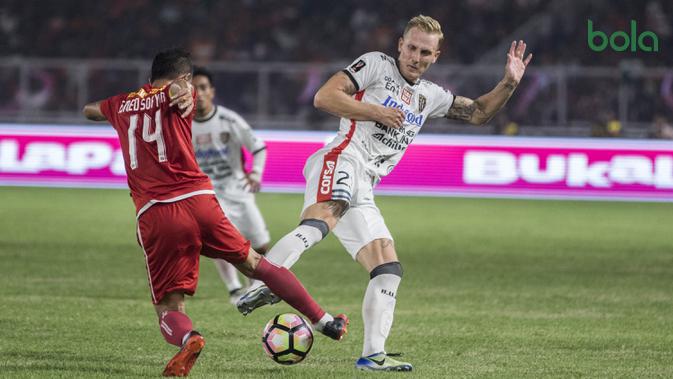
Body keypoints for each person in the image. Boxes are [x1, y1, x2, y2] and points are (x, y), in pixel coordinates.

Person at [237, 15, 532, 372]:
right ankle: (267, 278)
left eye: (425, 51)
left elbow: (479, 113)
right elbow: (324, 97)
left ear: (436, 56)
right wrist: (374, 110)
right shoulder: (376, 65)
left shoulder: (431, 96)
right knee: (326, 216)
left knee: (387, 267)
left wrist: (509, 83)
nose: (416, 56)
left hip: (366, 187)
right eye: (411, 47)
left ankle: (372, 355)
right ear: (400, 45)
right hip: (342, 158)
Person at [82, 48, 348, 377]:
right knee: (256, 263)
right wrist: (180, 92)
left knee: (169, 306)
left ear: (151, 79)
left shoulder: (121, 104)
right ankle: (325, 321)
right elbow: (181, 92)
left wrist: (122, 104)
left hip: (157, 212)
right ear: (184, 76)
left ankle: (189, 338)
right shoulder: (181, 90)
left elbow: (89, 109)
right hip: (201, 201)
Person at [191, 67, 271, 304]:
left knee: (261, 244)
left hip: (238, 190)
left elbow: (258, 147)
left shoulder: (229, 119)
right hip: (208, 193)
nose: (199, 93)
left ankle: (254, 286)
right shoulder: (182, 124)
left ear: (212, 91)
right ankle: (234, 289)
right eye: (194, 88)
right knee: (220, 242)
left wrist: (255, 173)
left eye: (203, 87)